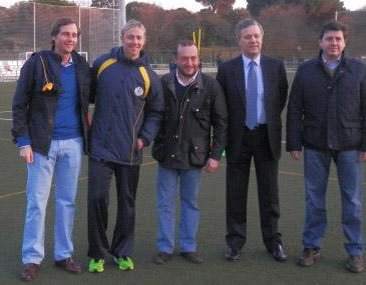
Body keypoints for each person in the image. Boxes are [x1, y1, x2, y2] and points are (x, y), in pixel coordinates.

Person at [286, 21, 366, 273]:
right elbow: (295, 108)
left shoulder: (358, 70)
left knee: (353, 201)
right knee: (314, 200)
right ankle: (311, 246)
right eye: (329, 39)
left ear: (344, 42)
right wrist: (294, 142)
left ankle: (355, 251)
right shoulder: (306, 71)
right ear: (320, 42)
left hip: (350, 145)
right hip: (315, 145)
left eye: (338, 39)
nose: (334, 43)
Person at [12, 18, 91, 281]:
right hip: (41, 145)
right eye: (65, 34)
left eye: (75, 35)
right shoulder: (37, 63)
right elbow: (19, 104)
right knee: (37, 202)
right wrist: (23, 141)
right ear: (54, 36)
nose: (71, 39)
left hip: (74, 143)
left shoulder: (81, 65)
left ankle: (63, 254)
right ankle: (32, 258)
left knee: (67, 202)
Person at [87, 19, 164, 272]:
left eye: (139, 38)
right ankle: (97, 252)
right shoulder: (102, 64)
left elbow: (156, 112)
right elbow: (85, 97)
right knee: (97, 199)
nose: (135, 42)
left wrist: (144, 138)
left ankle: (122, 252)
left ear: (144, 41)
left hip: (131, 151)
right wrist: (88, 125)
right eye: (130, 37)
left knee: (127, 203)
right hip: (100, 148)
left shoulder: (148, 75)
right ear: (122, 37)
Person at [216, 18, 289, 262]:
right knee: (235, 194)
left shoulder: (275, 66)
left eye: (256, 35)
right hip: (238, 138)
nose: (253, 40)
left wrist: (263, 121)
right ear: (239, 40)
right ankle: (235, 243)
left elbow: (279, 99)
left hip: (266, 136)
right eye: (247, 36)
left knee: (270, 194)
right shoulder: (227, 69)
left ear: (262, 37)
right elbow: (222, 106)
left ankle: (273, 243)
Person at [151, 40, 227, 265]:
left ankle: (188, 246)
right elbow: (152, 115)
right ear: (175, 60)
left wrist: (215, 156)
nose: (189, 62)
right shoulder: (163, 83)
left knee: (190, 203)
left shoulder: (211, 87)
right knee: (165, 203)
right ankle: (165, 247)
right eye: (184, 58)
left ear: (198, 59)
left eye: (193, 58)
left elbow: (221, 123)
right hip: (167, 154)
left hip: (195, 156)